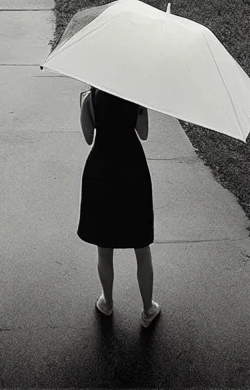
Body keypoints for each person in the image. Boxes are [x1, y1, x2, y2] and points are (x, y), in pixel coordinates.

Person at [77, 86, 161, 328]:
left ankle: (107, 302)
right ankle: (148, 309)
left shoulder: (90, 99)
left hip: (101, 171)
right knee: (141, 246)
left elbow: (88, 137)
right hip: (133, 171)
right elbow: (143, 134)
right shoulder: (135, 96)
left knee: (104, 247)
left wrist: (84, 108)